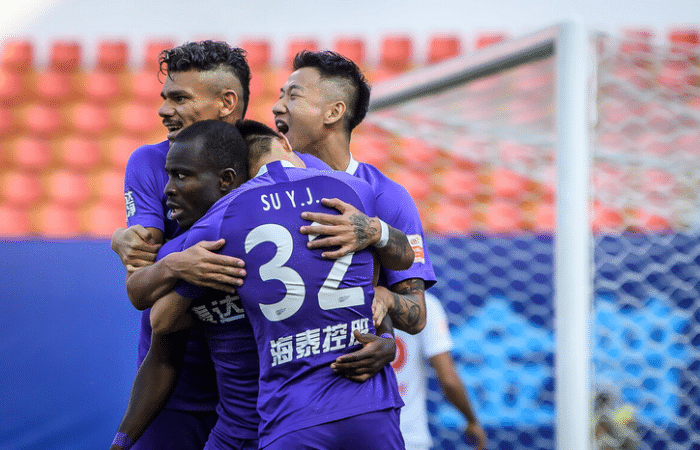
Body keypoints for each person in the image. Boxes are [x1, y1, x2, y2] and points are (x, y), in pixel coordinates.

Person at [110, 41, 401, 450]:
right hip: (182, 380)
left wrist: (384, 335)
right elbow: (147, 290)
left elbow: (354, 275)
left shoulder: (288, 168)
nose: (164, 110)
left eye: (179, 98)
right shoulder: (150, 162)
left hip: (269, 396)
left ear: (227, 102)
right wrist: (146, 251)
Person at [272, 52, 436, 368]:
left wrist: (385, 298)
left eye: (293, 96)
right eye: (280, 96)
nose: (277, 107)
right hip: (280, 377)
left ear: (333, 112)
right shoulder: (265, 188)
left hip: (350, 377)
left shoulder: (387, 196)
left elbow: (416, 317)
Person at [392, 292, 488, 450]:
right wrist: (472, 420)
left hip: (361, 432)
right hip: (407, 437)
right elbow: (448, 380)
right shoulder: (423, 304)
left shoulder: (359, 302)